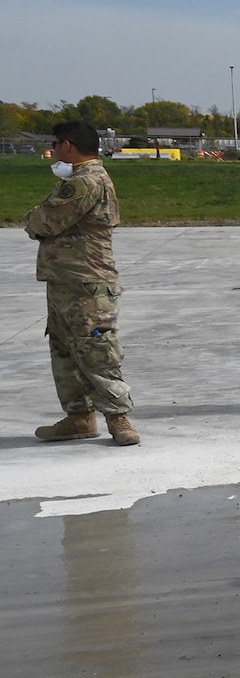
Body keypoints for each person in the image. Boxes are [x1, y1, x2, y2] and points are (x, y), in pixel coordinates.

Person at [24, 121, 139, 445]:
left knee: (96, 351)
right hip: (66, 281)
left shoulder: (85, 181)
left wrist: (30, 219)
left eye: (56, 142)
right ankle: (78, 418)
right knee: (64, 351)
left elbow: (43, 221)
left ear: (68, 145)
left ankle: (119, 420)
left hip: (85, 283)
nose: (54, 148)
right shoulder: (80, 178)